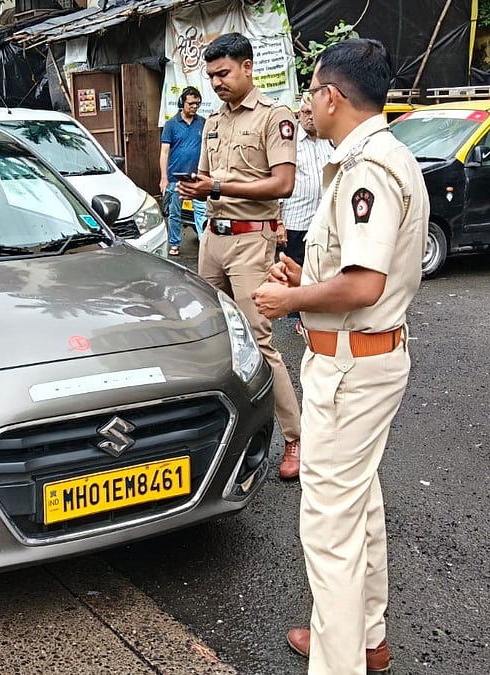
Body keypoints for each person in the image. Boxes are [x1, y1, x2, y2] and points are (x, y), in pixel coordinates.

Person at [250, 38, 429, 674]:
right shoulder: (379, 158)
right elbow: (349, 271)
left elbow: (363, 286)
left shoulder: (367, 169)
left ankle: (339, 661)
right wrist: (306, 278)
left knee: (329, 527)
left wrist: (290, 298)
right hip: (363, 356)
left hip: (351, 368)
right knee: (360, 506)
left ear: (331, 96)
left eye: (310, 92)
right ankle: (365, 640)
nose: (306, 105)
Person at [176, 32, 302, 480]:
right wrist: (196, 184)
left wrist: (217, 187)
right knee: (206, 337)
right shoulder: (213, 121)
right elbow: (210, 176)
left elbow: (282, 183)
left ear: (248, 67)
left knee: (260, 341)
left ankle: (294, 438)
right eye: (210, 75)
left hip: (252, 242)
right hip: (213, 237)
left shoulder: (275, 116)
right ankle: (208, 432)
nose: (216, 82)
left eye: (223, 73)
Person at [278, 93, 333, 326]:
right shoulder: (288, 144)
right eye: (306, 113)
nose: (310, 118)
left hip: (322, 221)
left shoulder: (328, 141)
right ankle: (297, 316)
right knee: (295, 268)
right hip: (295, 220)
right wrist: (278, 222)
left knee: (319, 268)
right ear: (298, 115)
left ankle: (312, 313)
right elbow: (279, 184)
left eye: (313, 112)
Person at [159, 86, 207, 256]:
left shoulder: (202, 123)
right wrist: (164, 177)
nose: (194, 107)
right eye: (191, 103)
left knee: (202, 212)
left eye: (197, 104)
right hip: (175, 177)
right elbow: (164, 152)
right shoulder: (171, 124)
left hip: (197, 176)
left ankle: (204, 242)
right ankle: (174, 244)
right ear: (182, 103)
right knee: (174, 213)